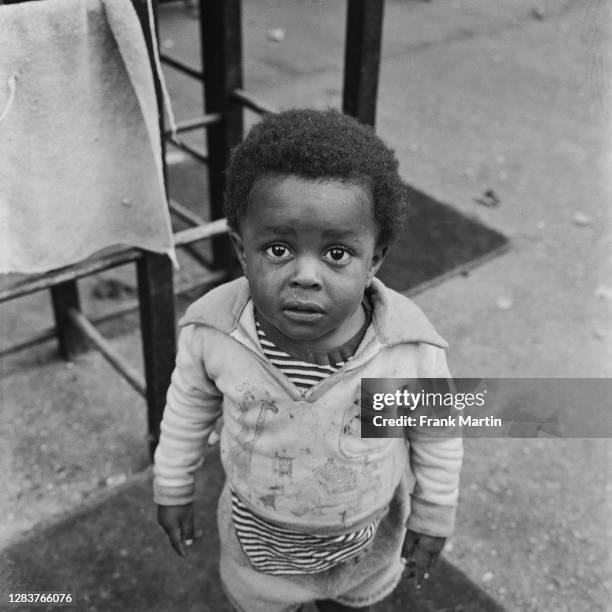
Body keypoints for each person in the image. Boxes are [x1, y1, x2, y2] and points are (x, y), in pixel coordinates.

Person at [154, 108, 463, 612]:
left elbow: (436, 434)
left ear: (375, 259)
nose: (305, 275)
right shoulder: (214, 332)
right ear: (241, 247)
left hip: (368, 538)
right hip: (257, 541)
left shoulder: (403, 349)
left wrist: (434, 510)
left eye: (337, 254)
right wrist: (171, 483)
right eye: (277, 248)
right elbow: (187, 410)